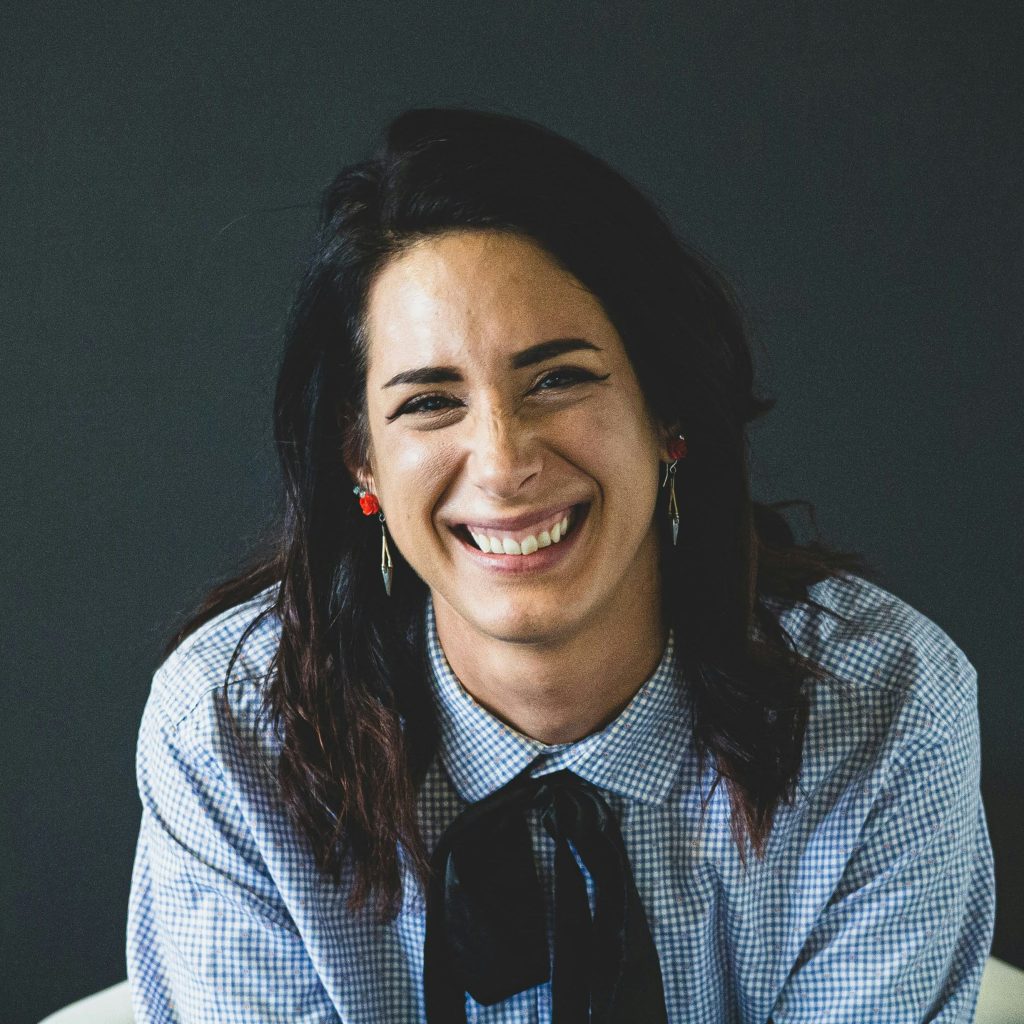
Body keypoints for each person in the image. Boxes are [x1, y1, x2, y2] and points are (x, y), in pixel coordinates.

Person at [126, 107, 995, 1023]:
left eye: (558, 379)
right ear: (361, 460)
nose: (503, 465)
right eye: (429, 401)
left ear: (668, 410)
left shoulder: (885, 704)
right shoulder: (232, 735)